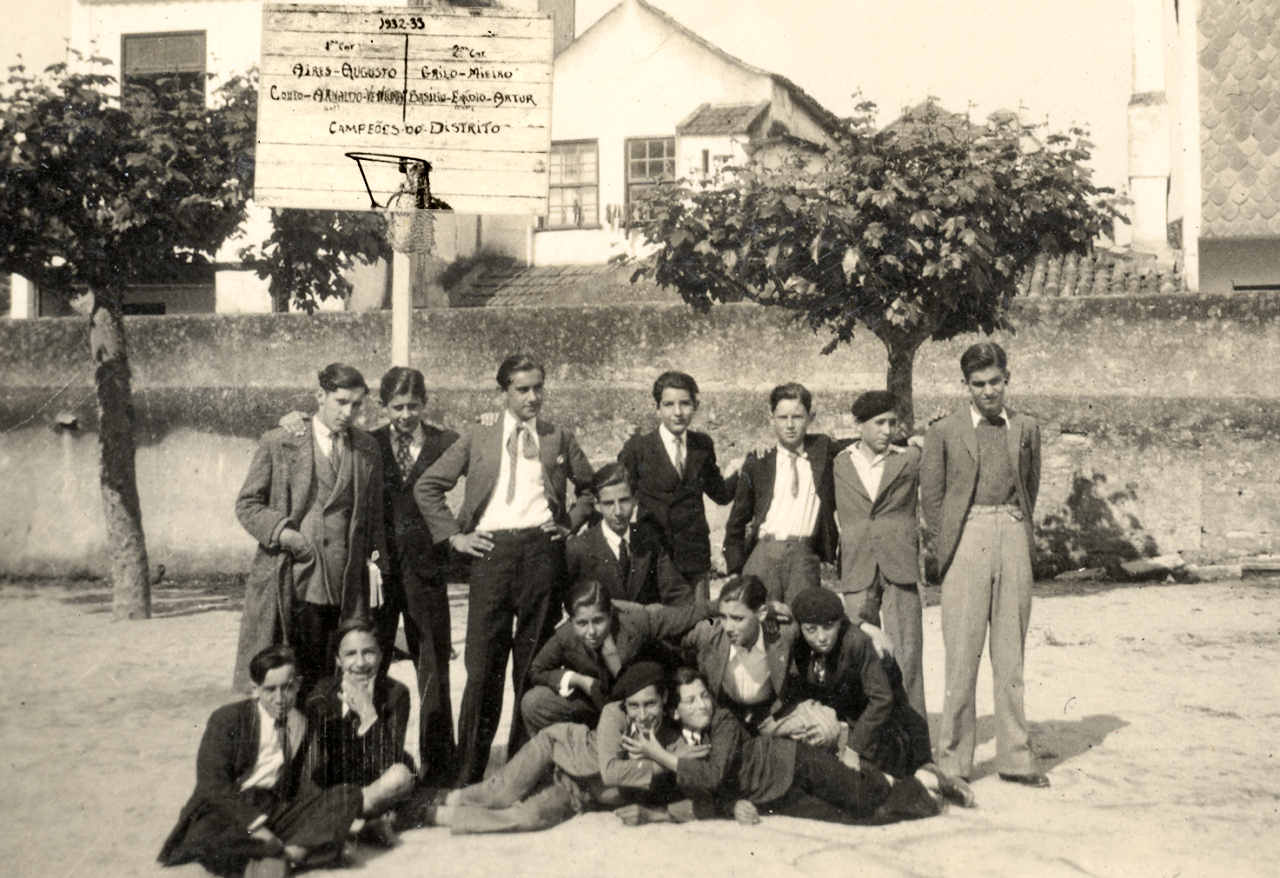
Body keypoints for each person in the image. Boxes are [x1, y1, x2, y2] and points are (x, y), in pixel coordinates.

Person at [414, 353, 596, 784]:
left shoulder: (557, 437)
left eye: (538, 388)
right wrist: (454, 537)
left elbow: (590, 488)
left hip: (541, 554)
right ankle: (468, 775)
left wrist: (569, 523)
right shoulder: (479, 435)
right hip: (491, 555)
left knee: (531, 665)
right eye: (522, 389)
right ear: (504, 392)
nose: (532, 397)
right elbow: (428, 486)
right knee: (482, 667)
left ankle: (521, 771)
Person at [922, 341, 1046, 787]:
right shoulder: (944, 431)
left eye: (996, 382)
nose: (989, 391)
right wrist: (951, 544)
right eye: (979, 384)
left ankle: (1016, 758)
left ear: (1007, 379)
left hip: (1011, 530)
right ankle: (953, 763)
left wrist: (1015, 526)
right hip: (966, 535)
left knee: (1011, 656)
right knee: (961, 655)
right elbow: (932, 498)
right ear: (966, 385)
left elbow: (1030, 485)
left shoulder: (1026, 427)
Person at [232, 363, 388, 698]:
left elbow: (374, 517)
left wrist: (375, 570)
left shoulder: (366, 449)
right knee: (291, 677)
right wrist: (285, 534)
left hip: (346, 584)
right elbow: (247, 504)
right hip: (293, 578)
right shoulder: (280, 441)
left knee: (339, 680)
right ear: (320, 396)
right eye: (340, 402)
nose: (348, 412)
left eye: (356, 405)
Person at [616, 667, 943, 826]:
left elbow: (714, 774)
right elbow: (705, 793)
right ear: (675, 712)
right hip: (776, 794)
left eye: (704, 696)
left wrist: (660, 756)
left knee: (863, 796)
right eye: (690, 701)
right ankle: (910, 788)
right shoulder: (678, 742)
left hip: (795, 762)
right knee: (859, 818)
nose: (702, 705)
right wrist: (731, 806)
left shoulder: (723, 720)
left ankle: (920, 784)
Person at [420, 661, 700, 834]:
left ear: (664, 698)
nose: (642, 715)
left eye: (650, 704)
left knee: (528, 817)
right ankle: (433, 798)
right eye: (634, 706)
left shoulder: (678, 742)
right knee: (500, 793)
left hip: (579, 789)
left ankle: (432, 814)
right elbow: (611, 771)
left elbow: (699, 800)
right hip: (555, 749)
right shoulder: (615, 714)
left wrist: (655, 815)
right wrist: (664, 761)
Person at [159, 645, 362, 878]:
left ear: (298, 684)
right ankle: (299, 854)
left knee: (347, 795)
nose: (280, 699)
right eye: (270, 690)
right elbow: (212, 785)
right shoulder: (228, 719)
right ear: (255, 689)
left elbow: (302, 785)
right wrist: (255, 825)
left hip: (273, 807)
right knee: (208, 836)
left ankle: (288, 855)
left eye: (287, 688)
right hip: (229, 811)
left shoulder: (302, 723)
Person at [784, 587, 973, 806]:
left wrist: (853, 749)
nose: (821, 637)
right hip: (851, 721)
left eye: (828, 627)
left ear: (839, 622)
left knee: (862, 776)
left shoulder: (857, 642)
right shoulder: (800, 644)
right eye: (811, 630)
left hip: (888, 725)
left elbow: (882, 700)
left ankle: (928, 785)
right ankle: (922, 783)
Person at [369, 366, 459, 787]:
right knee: (373, 663)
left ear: (425, 403)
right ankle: (376, 759)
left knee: (433, 666)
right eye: (397, 407)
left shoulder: (446, 442)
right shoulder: (368, 443)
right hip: (380, 572)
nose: (405, 415)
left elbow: (484, 466)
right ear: (383, 406)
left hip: (427, 571)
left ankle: (438, 767)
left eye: (413, 406)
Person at [832, 389, 928, 718]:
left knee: (908, 654)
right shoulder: (838, 462)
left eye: (892, 423)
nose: (888, 430)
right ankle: (865, 730)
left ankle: (913, 734)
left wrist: (921, 442)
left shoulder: (909, 458)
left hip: (899, 565)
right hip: (857, 566)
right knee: (859, 651)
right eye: (879, 423)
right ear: (859, 424)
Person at [521, 579, 715, 736]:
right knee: (533, 701)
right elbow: (537, 669)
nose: (591, 632)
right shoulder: (565, 636)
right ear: (571, 621)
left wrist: (721, 606)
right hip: (596, 702)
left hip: (642, 704)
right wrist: (579, 680)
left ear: (610, 614)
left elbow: (684, 616)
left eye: (598, 621)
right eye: (582, 624)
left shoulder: (635, 620)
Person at [619, 370, 742, 605]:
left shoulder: (702, 445)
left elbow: (721, 494)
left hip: (694, 555)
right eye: (669, 404)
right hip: (653, 557)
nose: (677, 412)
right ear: (657, 408)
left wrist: (744, 468)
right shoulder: (638, 448)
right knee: (656, 620)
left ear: (695, 406)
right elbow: (621, 497)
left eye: (685, 403)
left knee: (698, 619)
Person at [722, 383, 842, 605]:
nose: (790, 425)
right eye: (782, 417)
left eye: (797, 417)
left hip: (803, 555)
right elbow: (737, 521)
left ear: (810, 418)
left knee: (801, 616)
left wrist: (907, 441)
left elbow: (862, 442)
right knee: (758, 617)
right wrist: (734, 567)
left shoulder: (822, 450)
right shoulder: (759, 461)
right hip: (764, 552)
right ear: (772, 419)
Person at [305, 620, 416, 848]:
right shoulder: (321, 696)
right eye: (350, 654)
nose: (360, 663)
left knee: (400, 776)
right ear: (338, 659)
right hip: (337, 788)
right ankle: (364, 822)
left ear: (381, 655)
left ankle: (352, 822)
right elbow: (315, 767)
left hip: (379, 780)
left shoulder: (396, 693)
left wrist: (368, 715)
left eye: (368, 652)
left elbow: (390, 762)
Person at [680, 575, 794, 730]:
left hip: (770, 713)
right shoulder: (708, 633)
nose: (728, 627)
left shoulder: (783, 635)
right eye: (723, 617)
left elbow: (807, 621)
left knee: (823, 728)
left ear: (761, 613)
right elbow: (676, 642)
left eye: (738, 619)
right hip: (725, 713)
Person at [566, 463, 662, 604]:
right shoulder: (579, 549)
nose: (618, 511)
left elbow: (675, 592)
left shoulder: (650, 539)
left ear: (635, 500)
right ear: (597, 505)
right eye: (609, 503)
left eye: (624, 500)